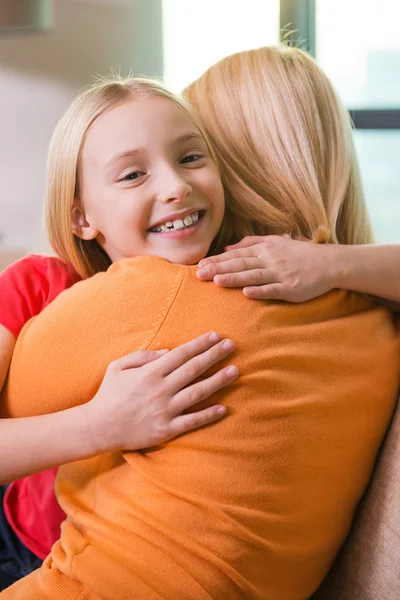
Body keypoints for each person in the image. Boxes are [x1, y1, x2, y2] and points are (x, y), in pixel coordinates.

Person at [1, 46, 399, 600]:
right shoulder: (377, 320)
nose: (174, 186)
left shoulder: (164, 293)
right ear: (81, 214)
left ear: (232, 163)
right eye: (133, 173)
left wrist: (331, 261)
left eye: (193, 155)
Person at [0, 254, 237, 590]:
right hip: (25, 536)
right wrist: (102, 426)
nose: (175, 196)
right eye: (127, 194)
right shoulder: (40, 282)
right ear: (81, 217)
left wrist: (337, 264)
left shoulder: (240, 270)